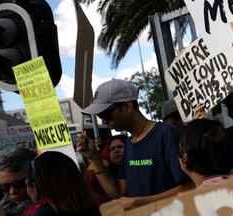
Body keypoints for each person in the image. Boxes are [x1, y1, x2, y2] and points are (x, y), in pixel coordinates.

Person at [77, 78, 192, 208]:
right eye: (100, 116)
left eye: (105, 114)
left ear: (127, 106)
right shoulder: (130, 144)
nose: (103, 121)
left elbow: (189, 187)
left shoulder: (167, 135)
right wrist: (94, 158)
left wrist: (138, 203)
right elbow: (119, 193)